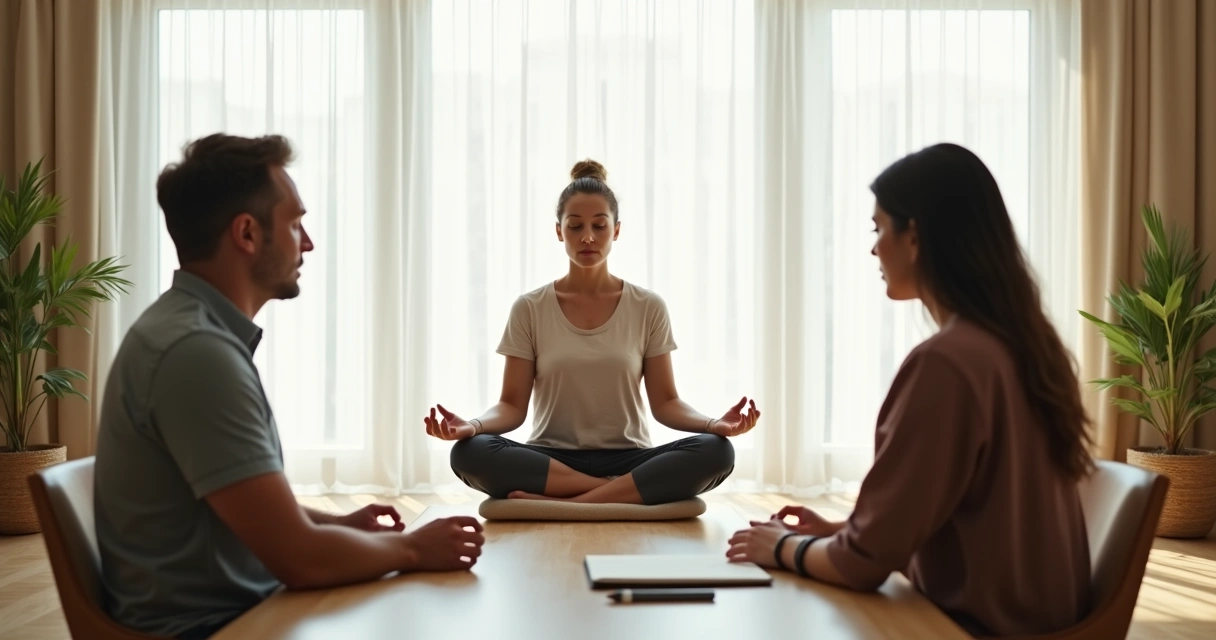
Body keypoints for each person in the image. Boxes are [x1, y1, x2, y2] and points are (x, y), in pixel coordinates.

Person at [94, 133, 485, 640]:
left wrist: (338, 525)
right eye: (295, 223)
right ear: (247, 234)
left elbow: (238, 502)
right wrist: (414, 549)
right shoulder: (196, 354)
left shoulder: (191, 333)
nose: (308, 242)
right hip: (219, 627)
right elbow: (299, 560)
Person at [726, 143, 1093, 637]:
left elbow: (863, 566)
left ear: (915, 237)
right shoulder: (1024, 347)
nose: (874, 248)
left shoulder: (948, 363)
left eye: (879, 228)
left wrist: (782, 547)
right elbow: (967, 516)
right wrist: (844, 533)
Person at [424, 160, 760, 505]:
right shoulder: (529, 308)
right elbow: (511, 406)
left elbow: (666, 403)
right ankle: (616, 493)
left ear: (616, 230)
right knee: (469, 453)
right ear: (559, 231)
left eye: (599, 226)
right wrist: (473, 427)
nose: (588, 237)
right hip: (552, 458)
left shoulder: (647, 306)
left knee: (716, 450)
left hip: (629, 458)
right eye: (575, 226)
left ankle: (571, 502)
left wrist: (714, 424)